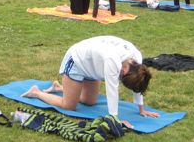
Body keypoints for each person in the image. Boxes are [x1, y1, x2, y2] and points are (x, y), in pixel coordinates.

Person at [21, 36, 159, 126]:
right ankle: (37, 92)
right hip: (77, 60)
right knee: (69, 105)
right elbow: (112, 91)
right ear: (123, 70)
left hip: (93, 68)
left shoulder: (137, 59)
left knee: (90, 101)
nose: (119, 76)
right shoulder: (113, 61)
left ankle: (59, 88)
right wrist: (115, 120)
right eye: (121, 76)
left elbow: (139, 84)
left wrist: (141, 109)